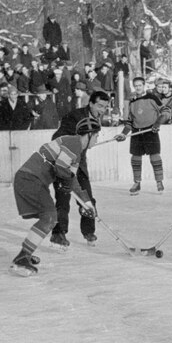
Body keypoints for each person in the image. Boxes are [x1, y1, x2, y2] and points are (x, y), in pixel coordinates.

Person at [9, 116, 101, 276]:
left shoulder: (76, 152)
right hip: (30, 179)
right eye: (97, 135)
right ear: (89, 134)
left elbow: (72, 180)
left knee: (49, 217)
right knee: (50, 216)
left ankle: (25, 254)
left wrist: (86, 202)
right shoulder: (74, 142)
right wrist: (65, 180)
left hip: (29, 179)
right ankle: (22, 257)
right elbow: (61, 167)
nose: (97, 139)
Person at [48, 90, 112, 247]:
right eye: (99, 106)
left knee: (87, 197)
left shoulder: (97, 116)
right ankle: (58, 234)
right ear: (90, 103)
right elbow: (58, 137)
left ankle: (88, 231)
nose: (102, 110)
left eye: (105, 107)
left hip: (79, 163)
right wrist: (73, 146)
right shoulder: (75, 117)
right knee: (63, 199)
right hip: (63, 161)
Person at [114, 77, 168, 195]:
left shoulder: (152, 98)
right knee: (135, 158)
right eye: (136, 86)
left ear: (144, 86)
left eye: (140, 85)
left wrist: (157, 123)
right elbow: (129, 122)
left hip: (150, 132)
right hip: (136, 133)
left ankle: (159, 182)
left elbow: (165, 112)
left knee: (155, 157)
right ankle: (137, 183)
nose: (138, 87)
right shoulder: (132, 102)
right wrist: (123, 134)